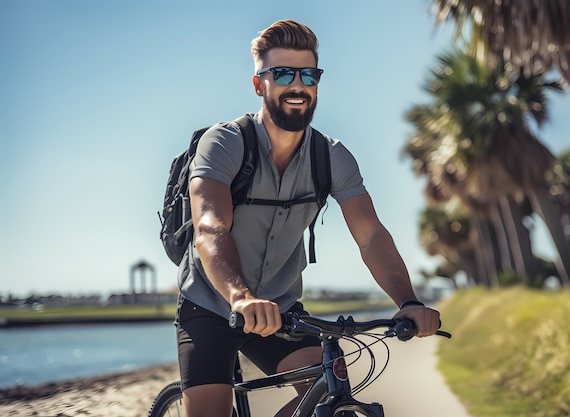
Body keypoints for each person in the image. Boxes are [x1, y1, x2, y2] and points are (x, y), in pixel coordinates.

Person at [175, 19, 441, 417]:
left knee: (330, 395)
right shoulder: (226, 142)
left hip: (282, 311)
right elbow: (211, 227)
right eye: (282, 73)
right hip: (211, 305)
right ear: (259, 84)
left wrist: (408, 301)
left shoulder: (330, 157)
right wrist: (242, 297)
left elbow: (370, 237)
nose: (297, 84)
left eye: (308, 74)